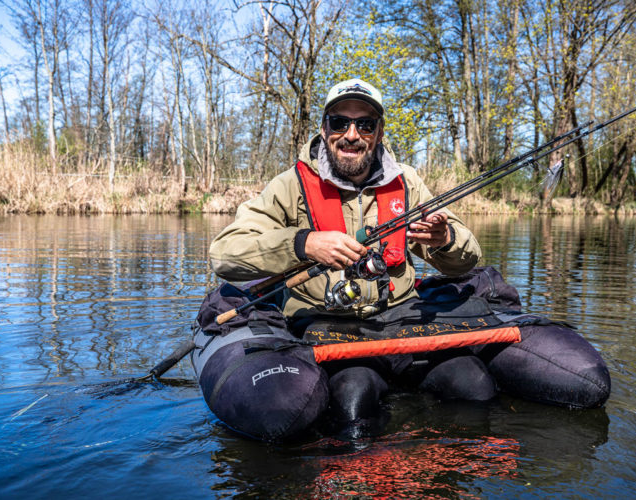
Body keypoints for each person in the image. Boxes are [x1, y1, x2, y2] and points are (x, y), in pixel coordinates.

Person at [208, 78, 610, 431]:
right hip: (326, 326)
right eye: (340, 122)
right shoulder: (289, 185)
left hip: (403, 324)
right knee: (354, 393)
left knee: (473, 384)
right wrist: (302, 243)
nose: (352, 134)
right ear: (325, 128)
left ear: (379, 131)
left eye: (364, 123)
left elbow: (467, 260)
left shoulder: (409, 183)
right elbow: (224, 253)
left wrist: (444, 238)